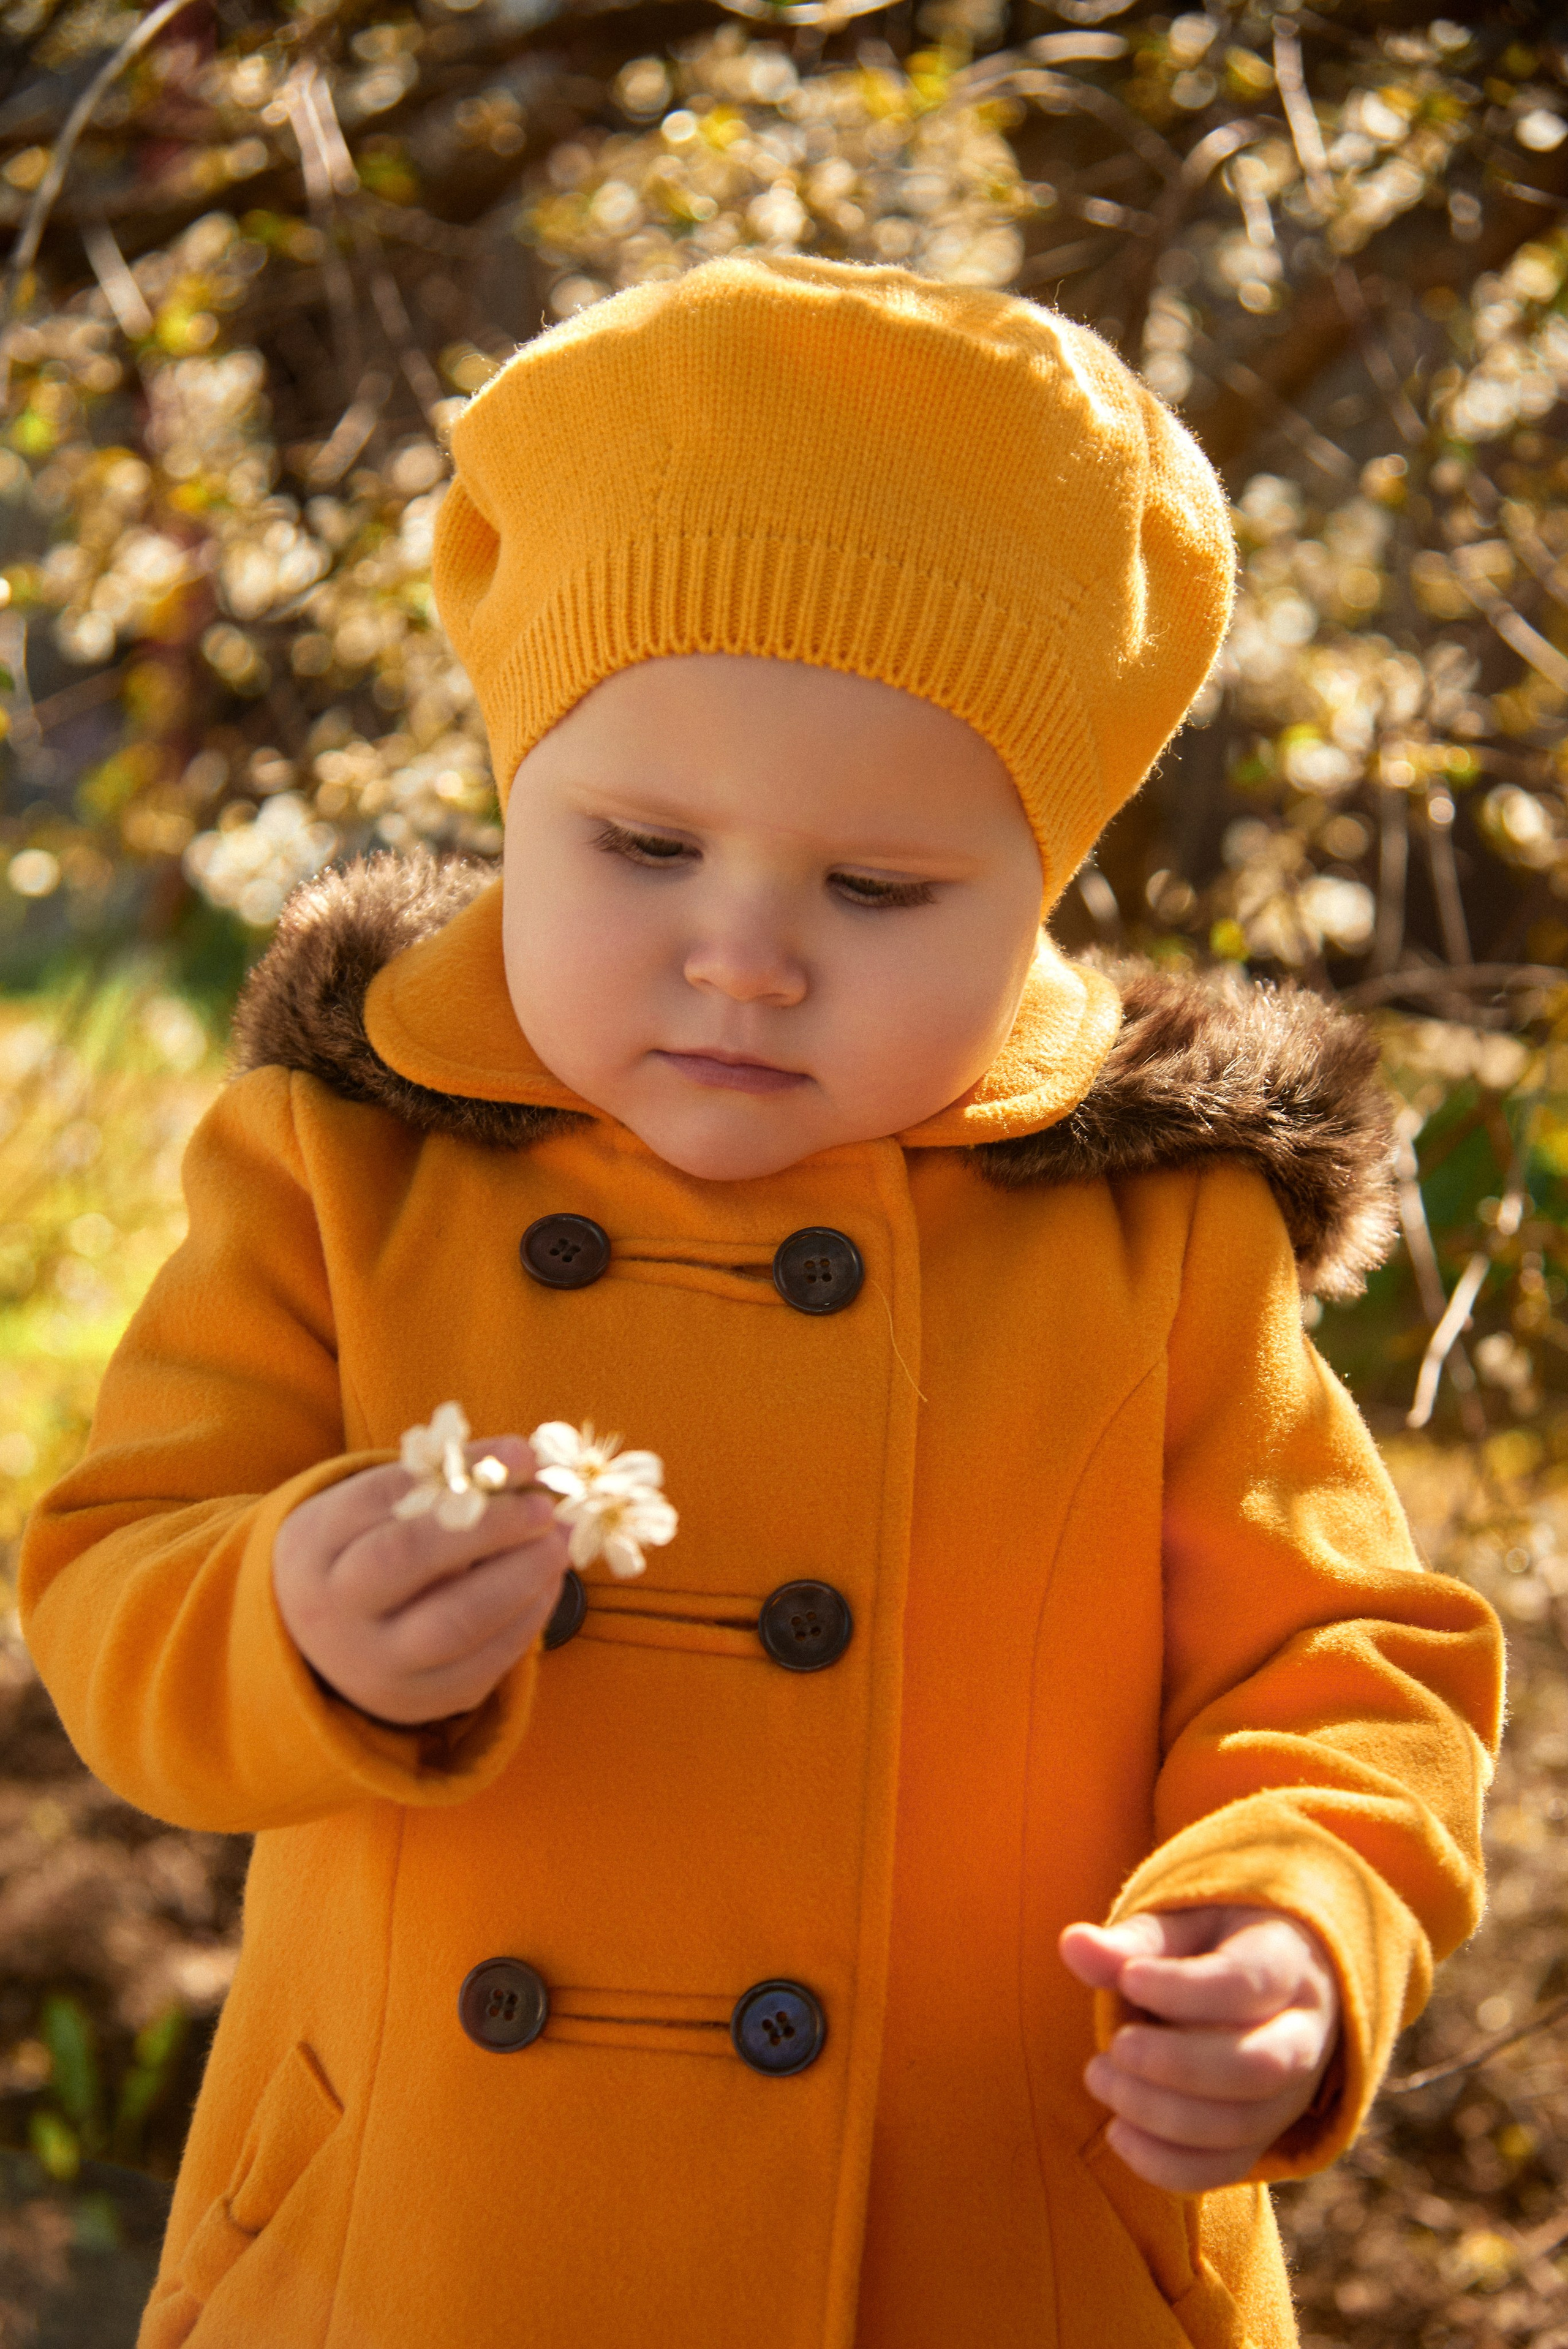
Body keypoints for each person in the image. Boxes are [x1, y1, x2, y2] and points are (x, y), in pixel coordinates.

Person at [21, 255, 1501, 2349]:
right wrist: (290, 1613)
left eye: (879, 891)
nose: (745, 955)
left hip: (995, 2256)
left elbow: (1344, 1656)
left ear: (1044, 885)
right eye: (637, 845)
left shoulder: (1153, 1236)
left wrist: (1290, 1922)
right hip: (422, 2251)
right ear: (515, 793)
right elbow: (110, 1582)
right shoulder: (347, 1164)